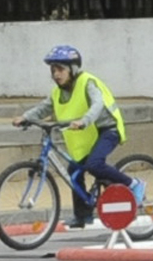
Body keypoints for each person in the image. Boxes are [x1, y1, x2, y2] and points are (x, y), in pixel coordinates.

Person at [12, 45, 141, 228]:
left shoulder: (87, 82)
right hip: (87, 136)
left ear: (72, 69)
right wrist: (25, 117)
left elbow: (97, 104)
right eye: (53, 70)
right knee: (74, 171)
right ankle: (82, 216)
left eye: (60, 69)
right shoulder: (57, 92)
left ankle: (133, 183)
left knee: (94, 164)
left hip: (107, 129)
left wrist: (84, 120)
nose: (56, 74)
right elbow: (44, 108)